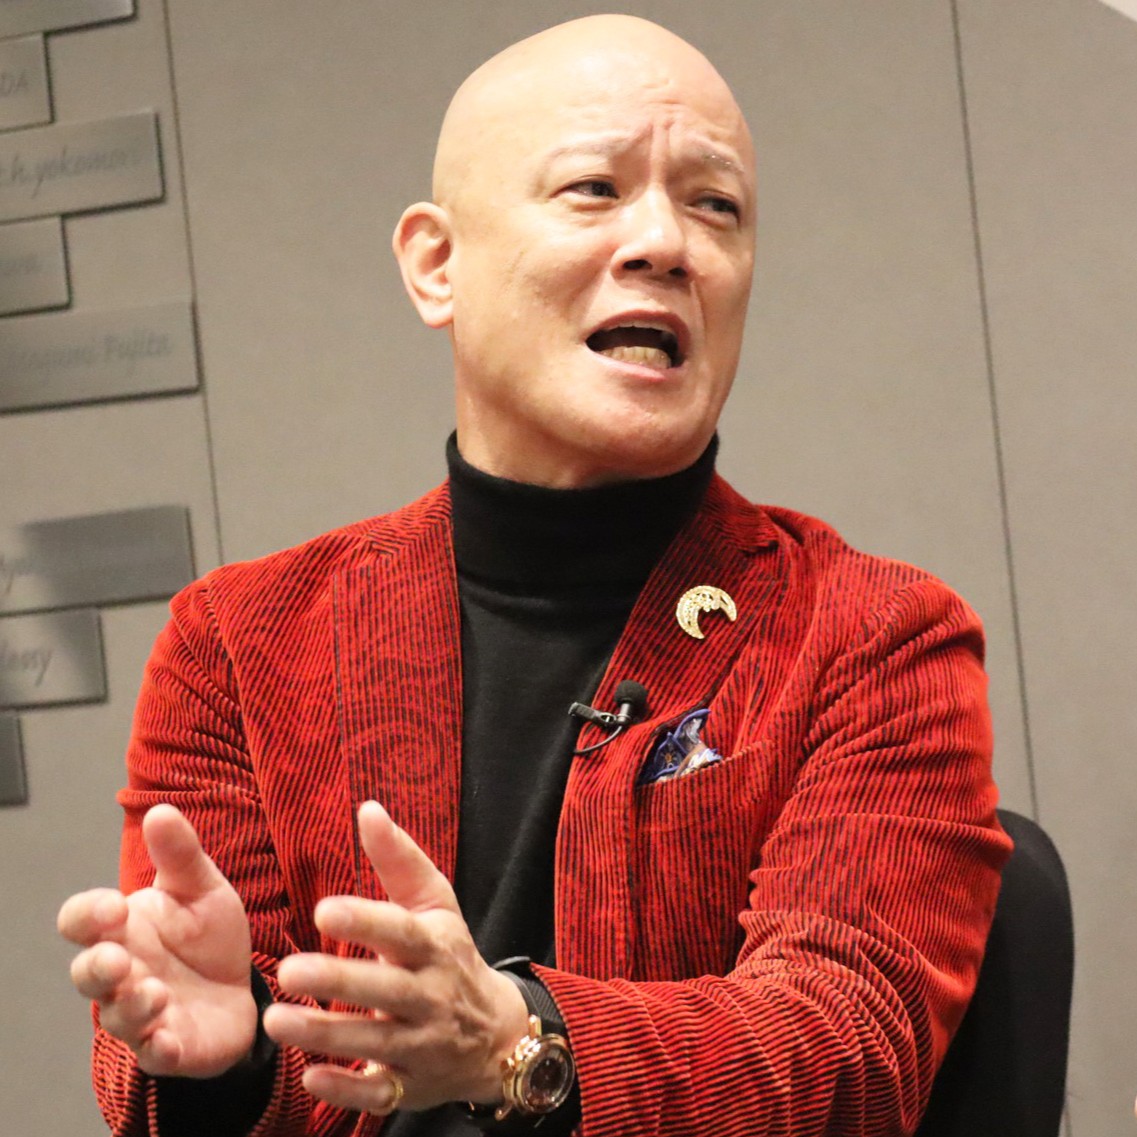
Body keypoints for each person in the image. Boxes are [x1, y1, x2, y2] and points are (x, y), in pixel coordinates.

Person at [58, 14, 1009, 1137]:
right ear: (437, 265)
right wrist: (223, 1066)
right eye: (594, 189)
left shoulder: (874, 633)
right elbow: (198, 1048)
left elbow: (845, 1048)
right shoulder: (238, 641)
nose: (666, 242)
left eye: (716, 206)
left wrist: (521, 1043)